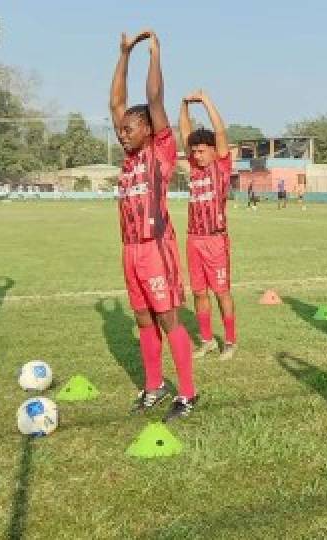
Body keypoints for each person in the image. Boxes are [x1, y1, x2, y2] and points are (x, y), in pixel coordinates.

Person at [110, 27, 199, 421]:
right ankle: (154, 385)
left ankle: (189, 393)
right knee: (143, 319)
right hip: (130, 250)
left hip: (156, 249)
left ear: (148, 129)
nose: (122, 135)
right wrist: (125, 54)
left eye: (129, 129)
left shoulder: (161, 151)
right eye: (121, 130)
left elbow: (153, 98)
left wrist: (154, 55)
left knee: (168, 318)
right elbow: (116, 103)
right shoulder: (129, 161)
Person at [179, 89, 239, 362]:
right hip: (194, 238)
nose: (198, 155)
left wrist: (205, 101)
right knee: (199, 292)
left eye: (202, 150)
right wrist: (183, 106)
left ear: (214, 151)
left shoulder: (221, 167)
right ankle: (206, 340)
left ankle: (229, 341)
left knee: (221, 292)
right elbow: (184, 133)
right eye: (195, 151)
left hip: (215, 240)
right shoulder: (194, 168)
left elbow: (221, 132)